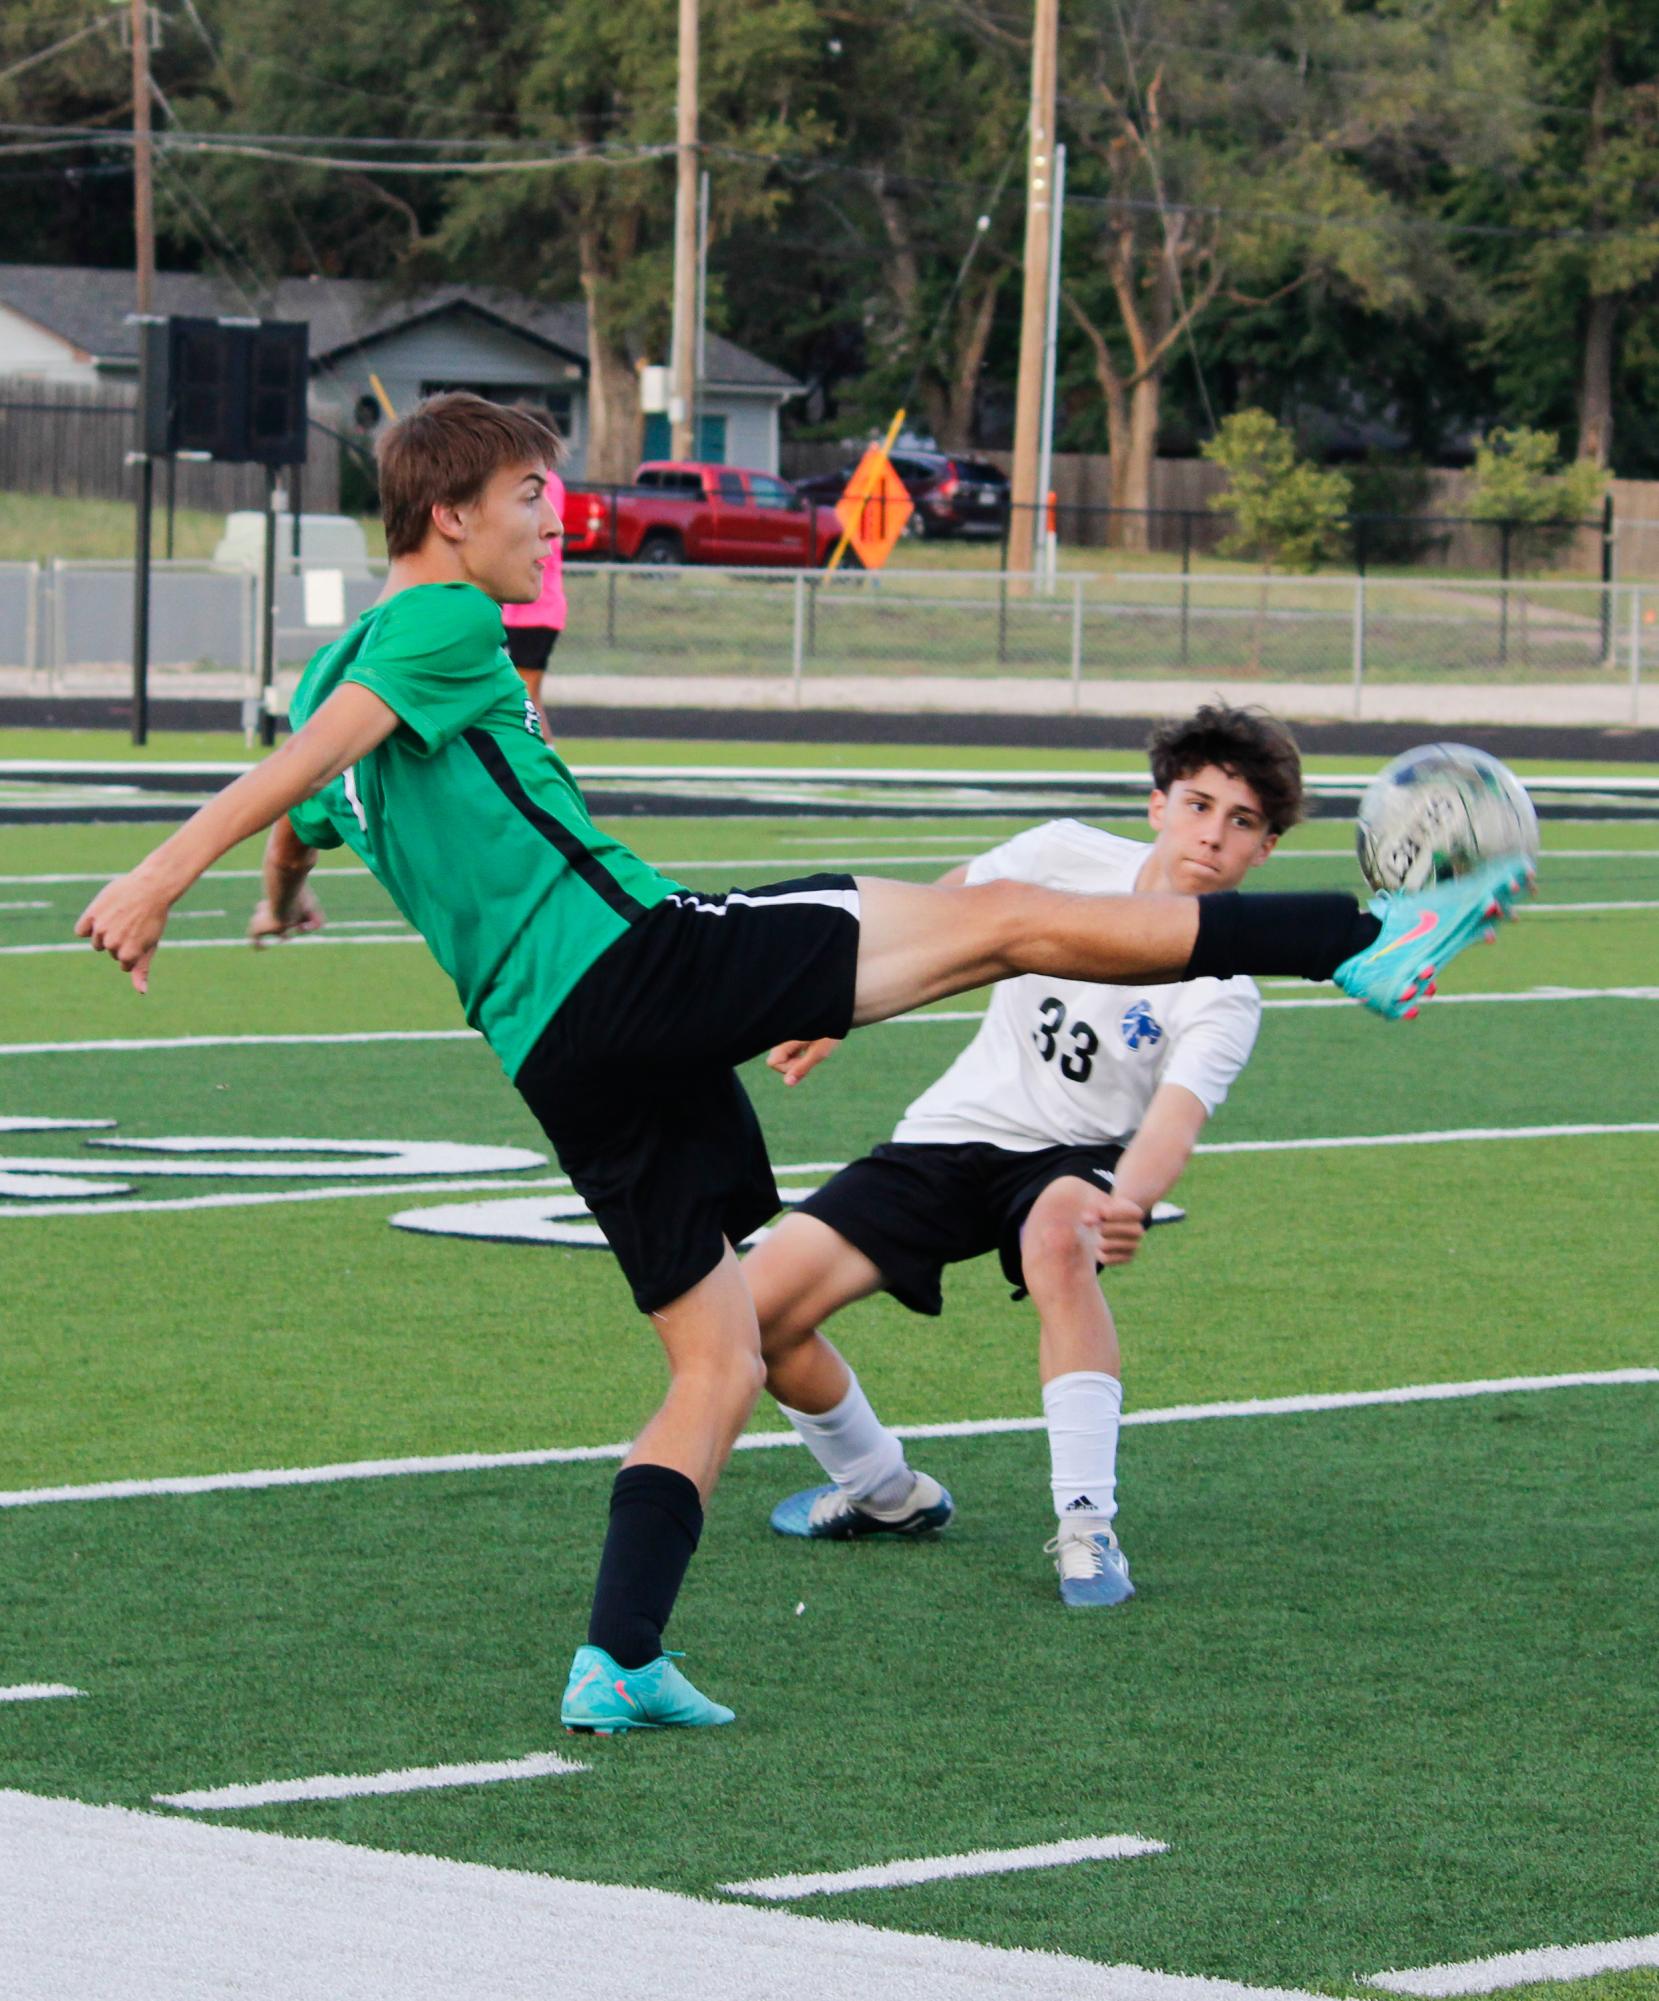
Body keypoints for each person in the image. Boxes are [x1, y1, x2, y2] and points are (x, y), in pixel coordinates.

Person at [75, 394, 1530, 1736]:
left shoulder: (352, 666)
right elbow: (314, 754)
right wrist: (162, 876)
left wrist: (278, 896)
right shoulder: (444, 620)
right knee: (1006, 923)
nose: (553, 522)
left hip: (556, 1053)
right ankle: (1362, 935)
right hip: (637, 962)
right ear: (450, 516)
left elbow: (313, 790)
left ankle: (619, 1656)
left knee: (715, 1354)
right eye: (533, 497)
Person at [749, 706, 1302, 1606]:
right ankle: (883, 1491)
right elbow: (937, 918)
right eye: (1199, 805)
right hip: (951, 1134)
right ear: (1157, 802)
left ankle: (1087, 1528)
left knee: (1058, 1237)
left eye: (1241, 822)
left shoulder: (1224, 990)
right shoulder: (1058, 856)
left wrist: (1131, 1195)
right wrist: (833, 1007)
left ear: (1264, 849)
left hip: (1075, 1159)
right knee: (753, 1318)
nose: (1213, 834)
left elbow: (1171, 1120)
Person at [500, 457, 565, 740]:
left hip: (537, 611)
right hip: (516, 611)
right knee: (523, 695)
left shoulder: (543, 483)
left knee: (526, 696)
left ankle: (542, 766)